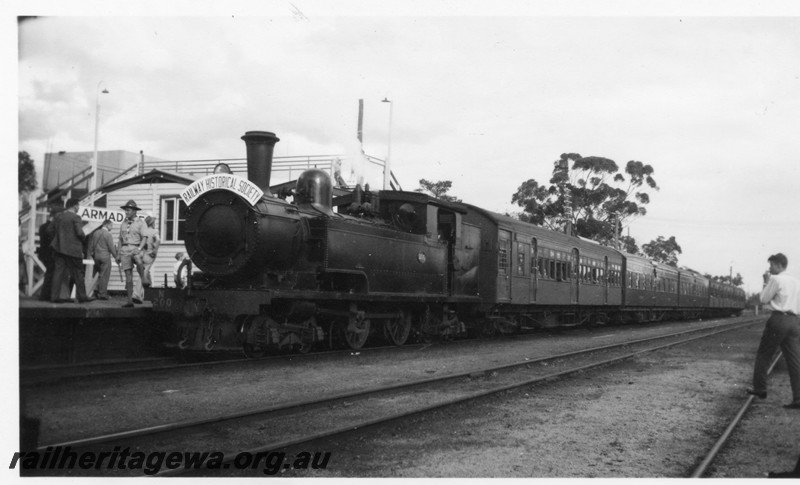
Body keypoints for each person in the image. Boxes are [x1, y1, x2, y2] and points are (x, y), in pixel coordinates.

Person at [747, 253, 800, 410]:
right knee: (794, 361)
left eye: (771, 265)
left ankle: (760, 389)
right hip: (794, 321)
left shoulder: (775, 279)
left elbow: (763, 299)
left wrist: (765, 282)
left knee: (764, 354)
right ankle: (798, 398)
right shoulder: (797, 282)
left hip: (778, 320)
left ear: (778, 265)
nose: (769, 269)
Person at [49, 198, 92, 303]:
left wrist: (58, 239)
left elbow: (49, 230)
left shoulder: (58, 216)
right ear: (74, 205)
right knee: (78, 273)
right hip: (73, 250)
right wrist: (83, 236)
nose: (79, 208)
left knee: (58, 272)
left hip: (59, 248)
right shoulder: (76, 217)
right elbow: (79, 233)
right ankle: (82, 296)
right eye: (78, 206)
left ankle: (54, 297)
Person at [116, 200, 147, 308]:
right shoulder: (123, 223)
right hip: (124, 249)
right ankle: (130, 301)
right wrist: (118, 254)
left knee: (138, 260)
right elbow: (120, 239)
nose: (126, 212)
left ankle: (143, 279)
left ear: (134, 211)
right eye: (125, 210)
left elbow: (144, 238)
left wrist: (139, 248)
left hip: (135, 247)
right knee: (128, 276)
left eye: (128, 210)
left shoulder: (141, 223)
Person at [88, 219, 117, 300]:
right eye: (111, 225)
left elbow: (92, 246)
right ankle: (102, 294)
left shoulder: (95, 233)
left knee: (98, 275)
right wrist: (116, 257)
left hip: (96, 256)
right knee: (104, 275)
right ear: (107, 225)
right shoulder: (108, 234)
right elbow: (111, 248)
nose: (112, 227)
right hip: (105, 257)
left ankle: (96, 292)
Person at [133, 215, 160, 301]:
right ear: (152, 223)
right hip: (150, 254)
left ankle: (147, 293)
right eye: (154, 222)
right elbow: (158, 240)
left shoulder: (144, 231)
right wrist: (155, 251)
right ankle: (136, 294)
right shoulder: (154, 231)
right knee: (143, 274)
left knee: (146, 272)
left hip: (143, 253)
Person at [36, 210, 56, 301]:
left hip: (43, 253)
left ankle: (44, 295)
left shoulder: (42, 226)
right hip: (50, 253)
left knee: (48, 274)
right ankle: (45, 295)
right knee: (50, 275)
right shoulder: (53, 228)